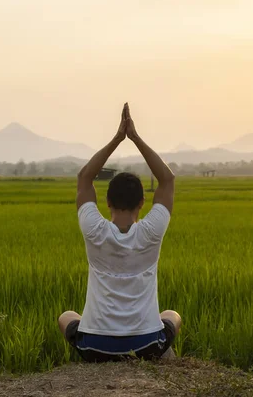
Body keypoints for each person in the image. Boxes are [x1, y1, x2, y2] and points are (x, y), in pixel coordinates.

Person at [58, 103, 181, 362]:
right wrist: (134, 137)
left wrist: (117, 139)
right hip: (147, 344)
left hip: (95, 346)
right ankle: (167, 365)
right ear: (142, 204)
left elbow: (84, 178)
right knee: (171, 316)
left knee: (66, 317)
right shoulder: (152, 231)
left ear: (107, 203)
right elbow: (167, 180)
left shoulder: (94, 229)